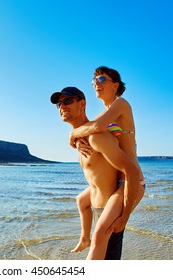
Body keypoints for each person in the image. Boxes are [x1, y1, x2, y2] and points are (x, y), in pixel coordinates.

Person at [51, 86, 142, 260]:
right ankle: (85, 238)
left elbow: (130, 170)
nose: (62, 106)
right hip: (98, 208)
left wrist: (124, 215)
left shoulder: (97, 137)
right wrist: (75, 137)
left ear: (82, 104)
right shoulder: (82, 140)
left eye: (68, 101)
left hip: (111, 210)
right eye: (59, 104)